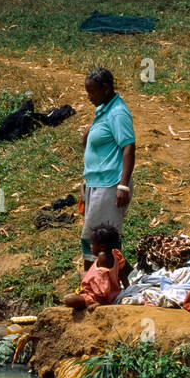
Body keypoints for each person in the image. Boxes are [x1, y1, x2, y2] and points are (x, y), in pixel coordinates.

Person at [79, 67, 135, 272]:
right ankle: (99, 280)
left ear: (106, 88)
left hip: (111, 184)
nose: (88, 97)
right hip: (97, 182)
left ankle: (103, 281)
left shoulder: (118, 113)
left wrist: (123, 186)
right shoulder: (104, 108)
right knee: (94, 237)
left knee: (101, 239)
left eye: (92, 92)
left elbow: (129, 146)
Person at [64, 225, 128, 311]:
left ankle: (90, 300)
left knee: (69, 300)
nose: (91, 246)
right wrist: (127, 289)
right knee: (82, 273)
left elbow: (100, 282)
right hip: (113, 292)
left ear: (102, 247)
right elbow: (122, 274)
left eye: (92, 244)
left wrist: (100, 302)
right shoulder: (115, 254)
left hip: (100, 296)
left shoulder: (102, 257)